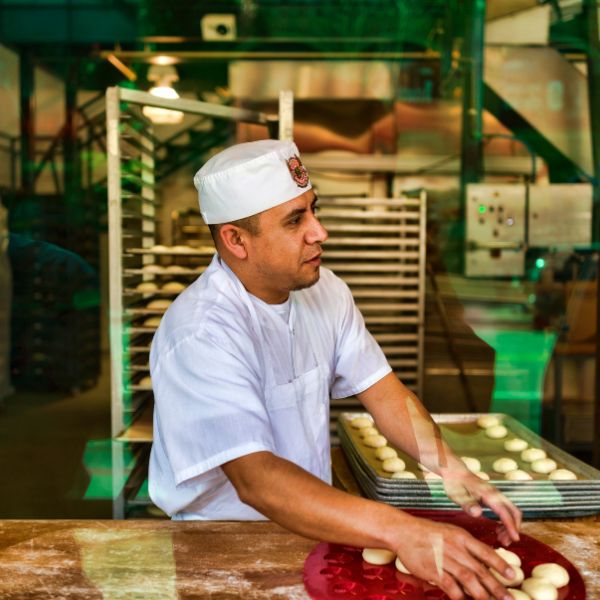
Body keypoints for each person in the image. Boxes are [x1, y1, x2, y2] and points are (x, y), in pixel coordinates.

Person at [149, 139, 521, 600]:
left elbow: (385, 393)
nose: (319, 232)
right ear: (236, 240)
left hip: (320, 527)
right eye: (295, 221)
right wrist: (402, 531)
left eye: (312, 210)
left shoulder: (325, 292)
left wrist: (453, 470)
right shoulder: (201, 332)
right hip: (224, 548)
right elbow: (257, 479)